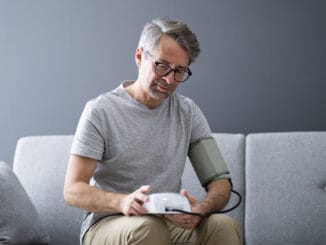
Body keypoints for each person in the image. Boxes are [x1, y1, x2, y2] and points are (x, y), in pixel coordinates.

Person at [64, 17, 241, 245]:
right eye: (162, 66)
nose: (169, 79)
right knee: (147, 228)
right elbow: (73, 190)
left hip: (164, 223)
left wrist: (202, 209)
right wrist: (122, 202)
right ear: (139, 57)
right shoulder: (100, 110)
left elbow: (221, 183)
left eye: (179, 71)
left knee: (223, 226)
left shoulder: (187, 112)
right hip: (108, 223)